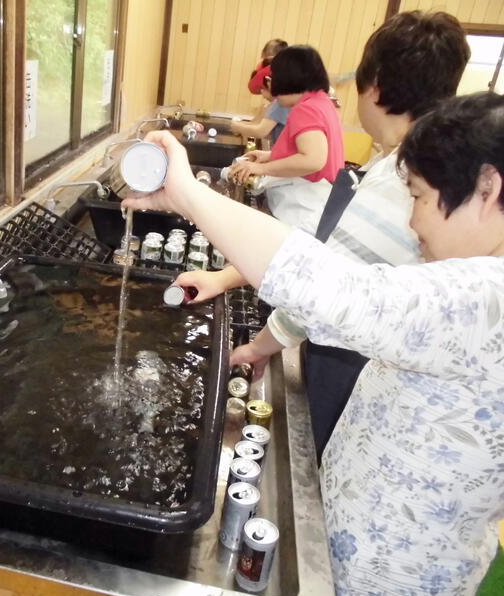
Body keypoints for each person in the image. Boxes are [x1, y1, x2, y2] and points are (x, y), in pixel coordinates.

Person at [124, 92, 504, 596]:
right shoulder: (476, 284)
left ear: (487, 188)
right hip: (358, 545)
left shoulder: (489, 299)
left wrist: (189, 195)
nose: (413, 221)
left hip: (393, 577)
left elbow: (338, 292)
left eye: (418, 197)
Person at [184, 11, 471, 464]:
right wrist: (228, 278)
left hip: (354, 367)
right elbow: (331, 254)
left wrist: (260, 345)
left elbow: (329, 284)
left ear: (374, 85)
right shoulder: (405, 163)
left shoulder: (405, 177)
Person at [231, 45, 345, 231]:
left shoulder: (306, 109)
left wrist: (261, 168)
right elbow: (312, 151)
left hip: (305, 206)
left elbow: (313, 160)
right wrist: (270, 156)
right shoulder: (321, 101)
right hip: (320, 201)